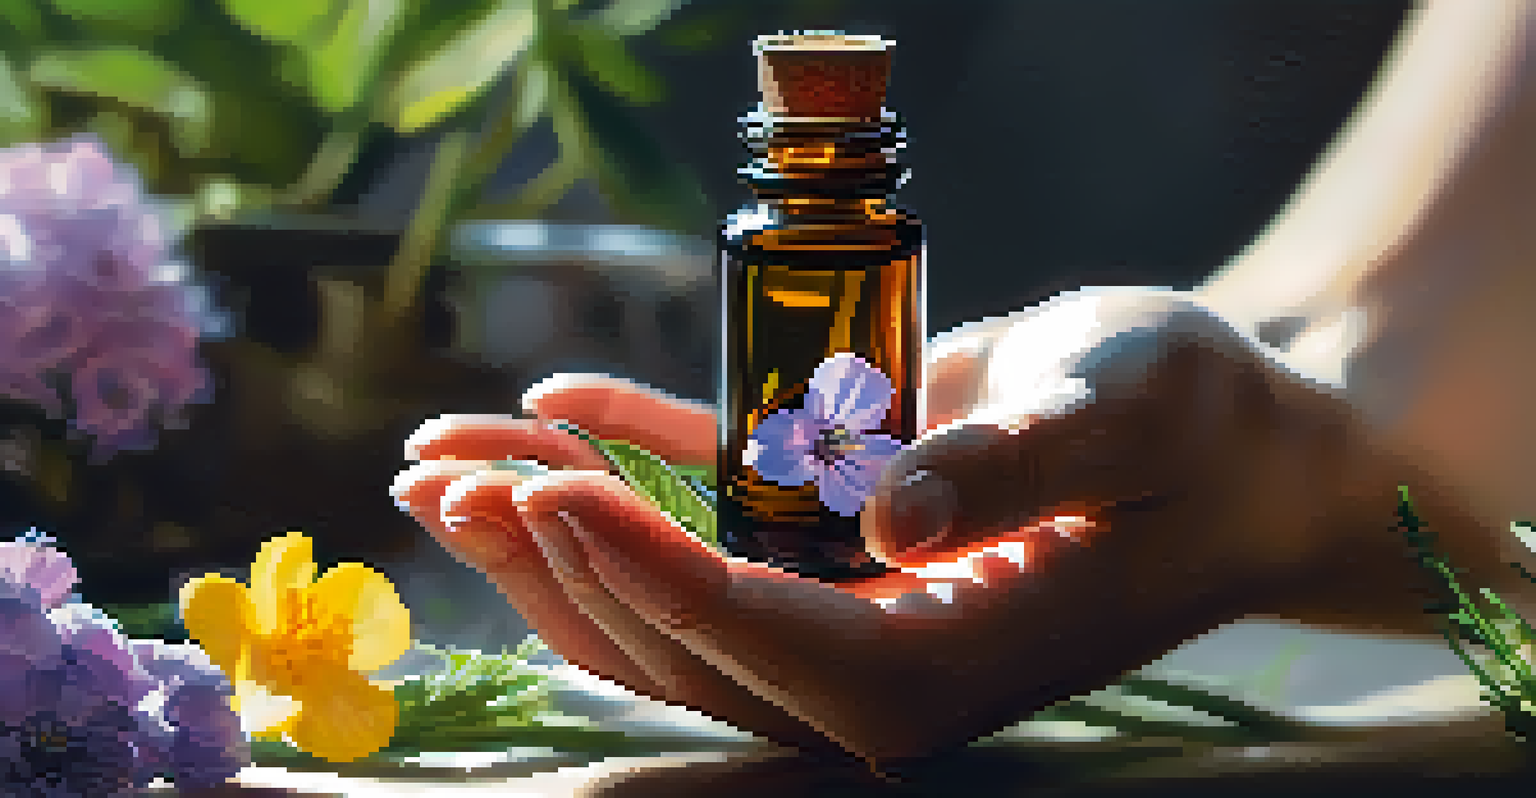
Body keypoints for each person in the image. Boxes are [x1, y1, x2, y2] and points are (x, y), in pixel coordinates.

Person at [391, 0, 1536, 773]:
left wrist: (1292, 442)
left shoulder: (857, 240)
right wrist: (1258, 398)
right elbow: (1405, 292)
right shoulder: (774, 238)